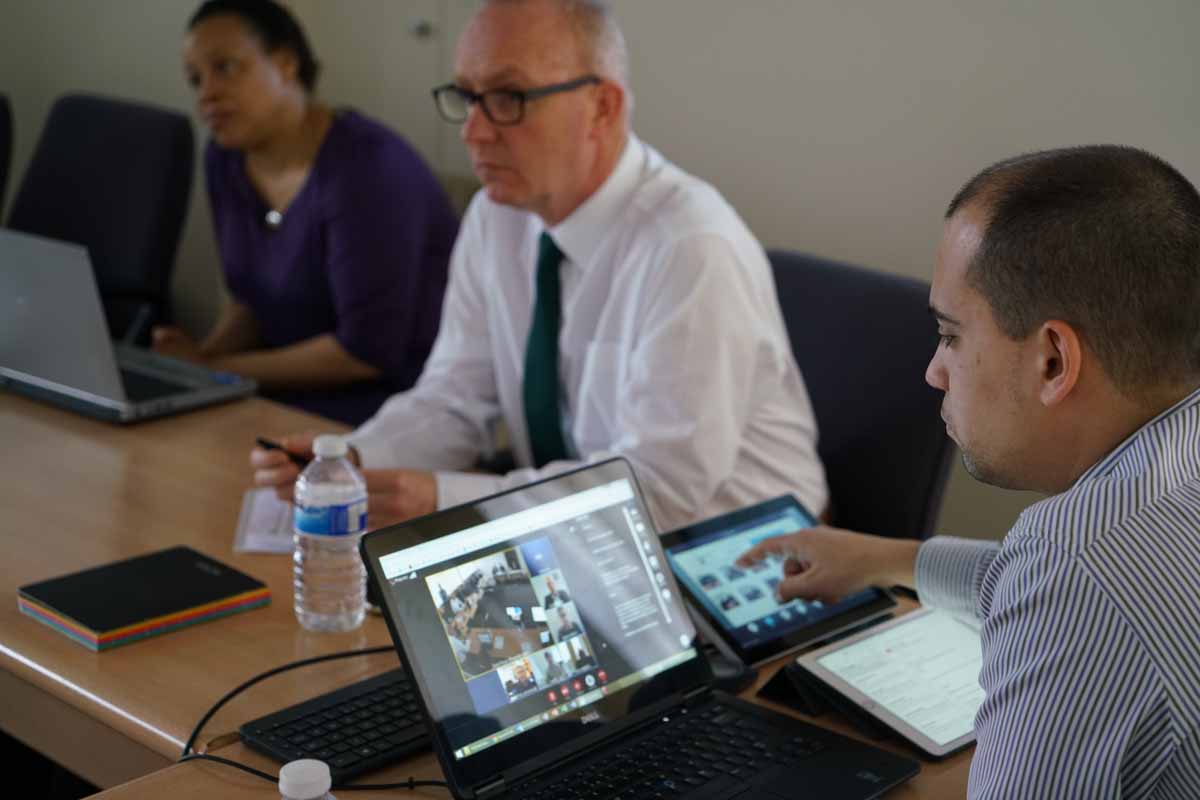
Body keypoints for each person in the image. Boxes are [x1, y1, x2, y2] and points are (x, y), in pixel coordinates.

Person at [249, 0, 827, 532]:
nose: (474, 131)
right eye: (467, 97)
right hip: (587, 537)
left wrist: (440, 500)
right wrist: (354, 459)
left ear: (603, 106)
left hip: (746, 557)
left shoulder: (690, 245)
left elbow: (660, 488)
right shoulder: (497, 216)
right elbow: (455, 396)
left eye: (507, 99)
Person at [739, 145, 1200, 798]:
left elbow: (1073, 581)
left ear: (1052, 362)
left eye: (951, 335)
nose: (933, 370)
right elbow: (1052, 584)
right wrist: (886, 559)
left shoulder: (1077, 563)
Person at [156, 0, 458, 425]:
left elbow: (364, 355)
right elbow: (250, 301)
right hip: (277, 395)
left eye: (225, 68)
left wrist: (215, 371)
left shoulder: (367, 167)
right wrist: (196, 364)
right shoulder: (225, 159)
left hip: (385, 411)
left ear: (285, 63)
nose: (207, 93)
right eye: (195, 79)